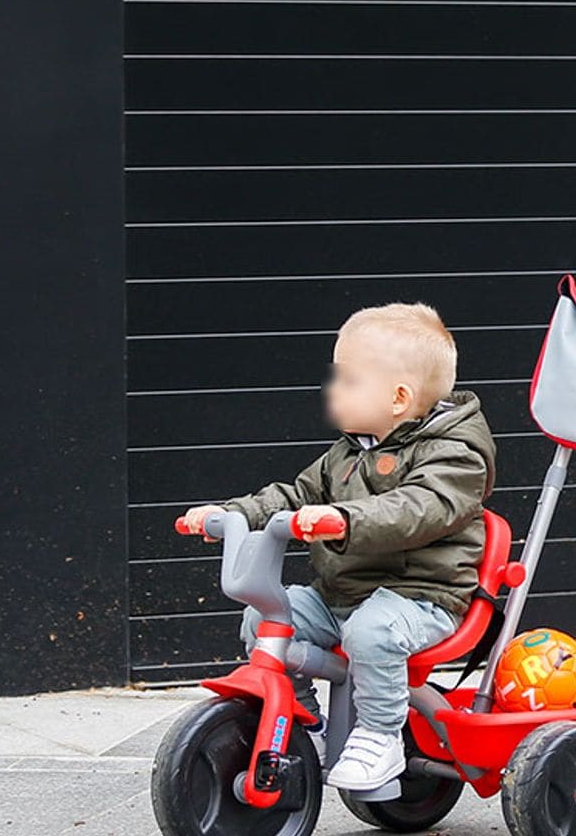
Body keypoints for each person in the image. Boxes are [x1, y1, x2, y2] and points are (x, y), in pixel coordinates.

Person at [179, 303, 496, 791]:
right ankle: (308, 724)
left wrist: (342, 519)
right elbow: (297, 494)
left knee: (372, 634)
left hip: (421, 597)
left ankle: (380, 736)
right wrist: (237, 513)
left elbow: (419, 507)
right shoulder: (349, 452)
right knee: (264, 617)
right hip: (342, 596)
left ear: (398, 398)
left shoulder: (455, 454)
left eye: (348, 381)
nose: (332, 390)